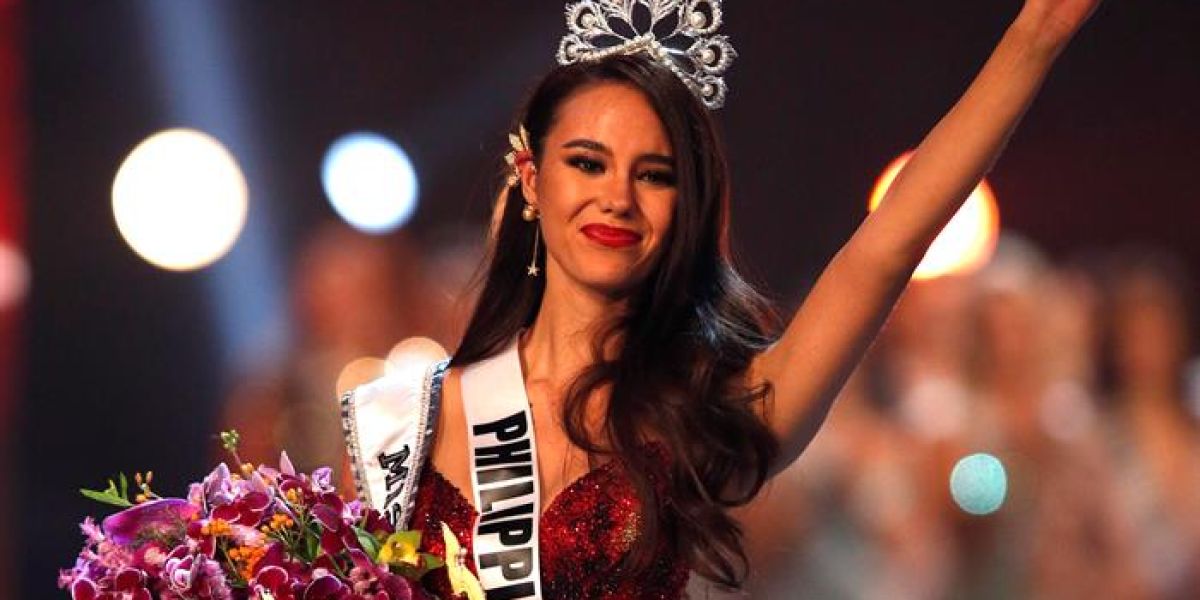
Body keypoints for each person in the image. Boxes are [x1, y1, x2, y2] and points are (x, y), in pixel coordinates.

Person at [341, 1, 1101, 598]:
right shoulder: (403, 422)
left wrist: (1036, 34)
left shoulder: (706, 413)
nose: (617, 198)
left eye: (654, 174)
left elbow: (885, 248)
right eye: (587, 163)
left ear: (686, 206)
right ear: (533, 181)